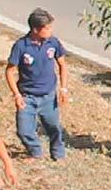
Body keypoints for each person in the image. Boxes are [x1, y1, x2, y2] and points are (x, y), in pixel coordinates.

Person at [6, 8, 68, 160]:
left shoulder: (53, 43)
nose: (50, 31)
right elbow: (9, 71)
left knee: (54, 128)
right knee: (24, 130)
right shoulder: (21, 46)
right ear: (35, 29)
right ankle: (36, 152)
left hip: (48, 96)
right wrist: (16, 95)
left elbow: (62, 65)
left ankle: (58, 153)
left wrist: (63, 88)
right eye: (47, 28)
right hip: (28, 97)